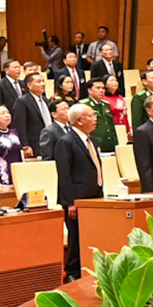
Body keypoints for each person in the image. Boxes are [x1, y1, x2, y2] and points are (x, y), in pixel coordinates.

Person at [53, 104, 105, 281]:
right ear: (79, 120)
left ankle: (88, 268)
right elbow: (64, 174)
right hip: (77, 198)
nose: (95, 118)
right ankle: (72, 273)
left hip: (94, 195)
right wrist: (71, 202)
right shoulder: (66, 141)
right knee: (76, 238)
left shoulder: (92, 140)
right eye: (91, 115)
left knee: (91, 235)